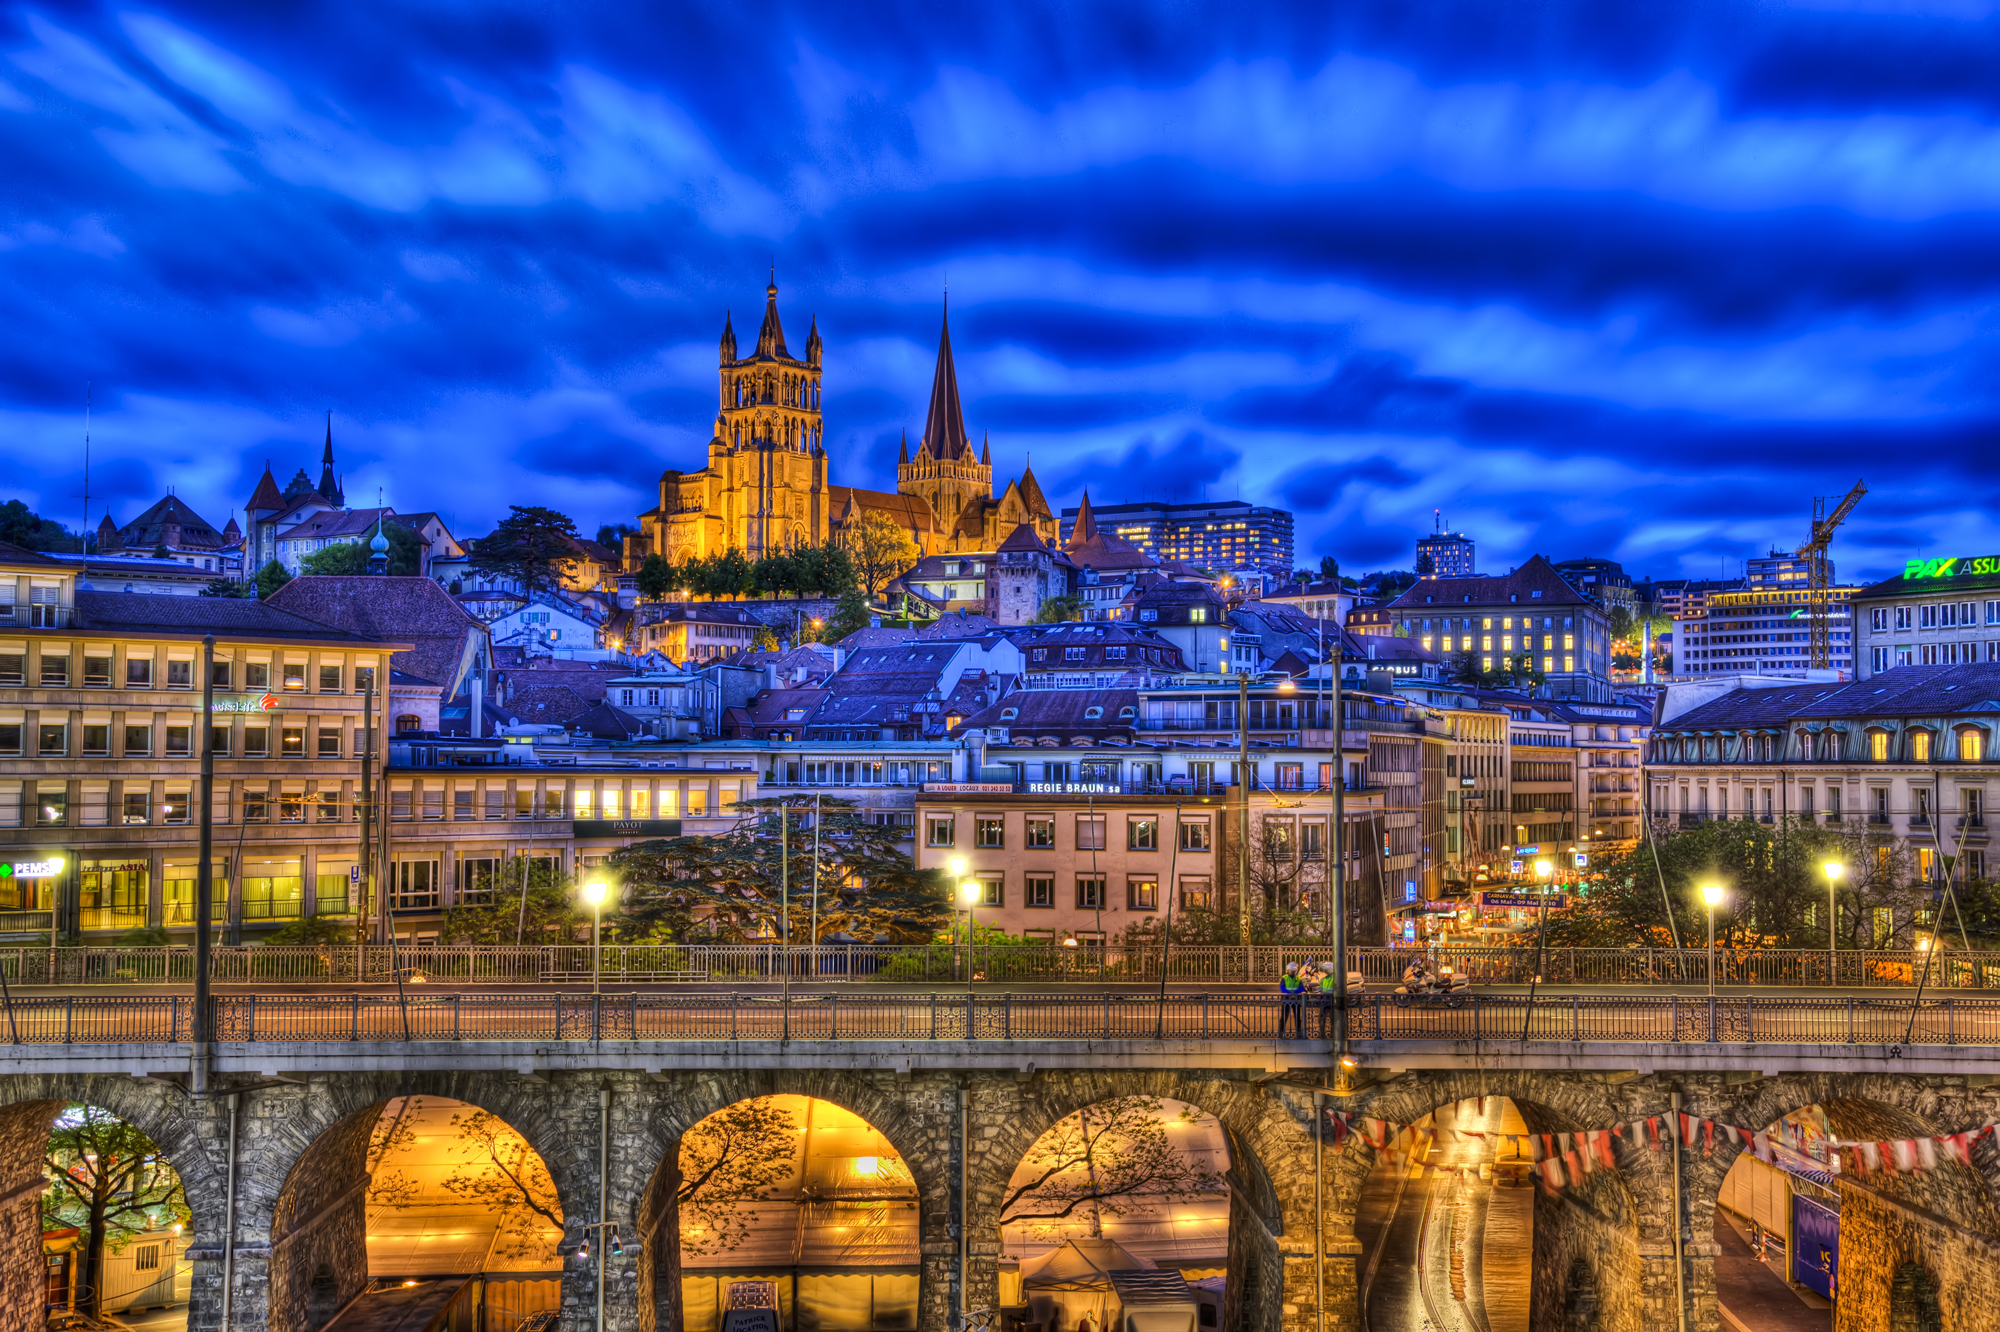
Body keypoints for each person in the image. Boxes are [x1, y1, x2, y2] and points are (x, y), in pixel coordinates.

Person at [1278, 962, 1305, 1037]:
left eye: (1293, 970)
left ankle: (1298, 1033)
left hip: (1296, 1000)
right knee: (1284, 1016)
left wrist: (1295, 992)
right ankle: (1280, 1032)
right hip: (1286, 1000)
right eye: (1290, 970)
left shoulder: (1298, 978)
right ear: (1288, 970)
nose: (1291, 972)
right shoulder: (1284, 978)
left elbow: (1302, 988)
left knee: (1297, 1017)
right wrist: (1291, 994)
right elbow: (1282, 989)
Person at [1317, 959, 1341, 1037]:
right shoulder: (1325, 978)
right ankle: (1322, 1032)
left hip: (1331, 1000)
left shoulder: (1334, 978)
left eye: (1326, 969)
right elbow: (1321, 988)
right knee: (1322, 1017)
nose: (1325, 971)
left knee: (1332, 1018)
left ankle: (1332, 1033)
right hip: (1324, 1001)